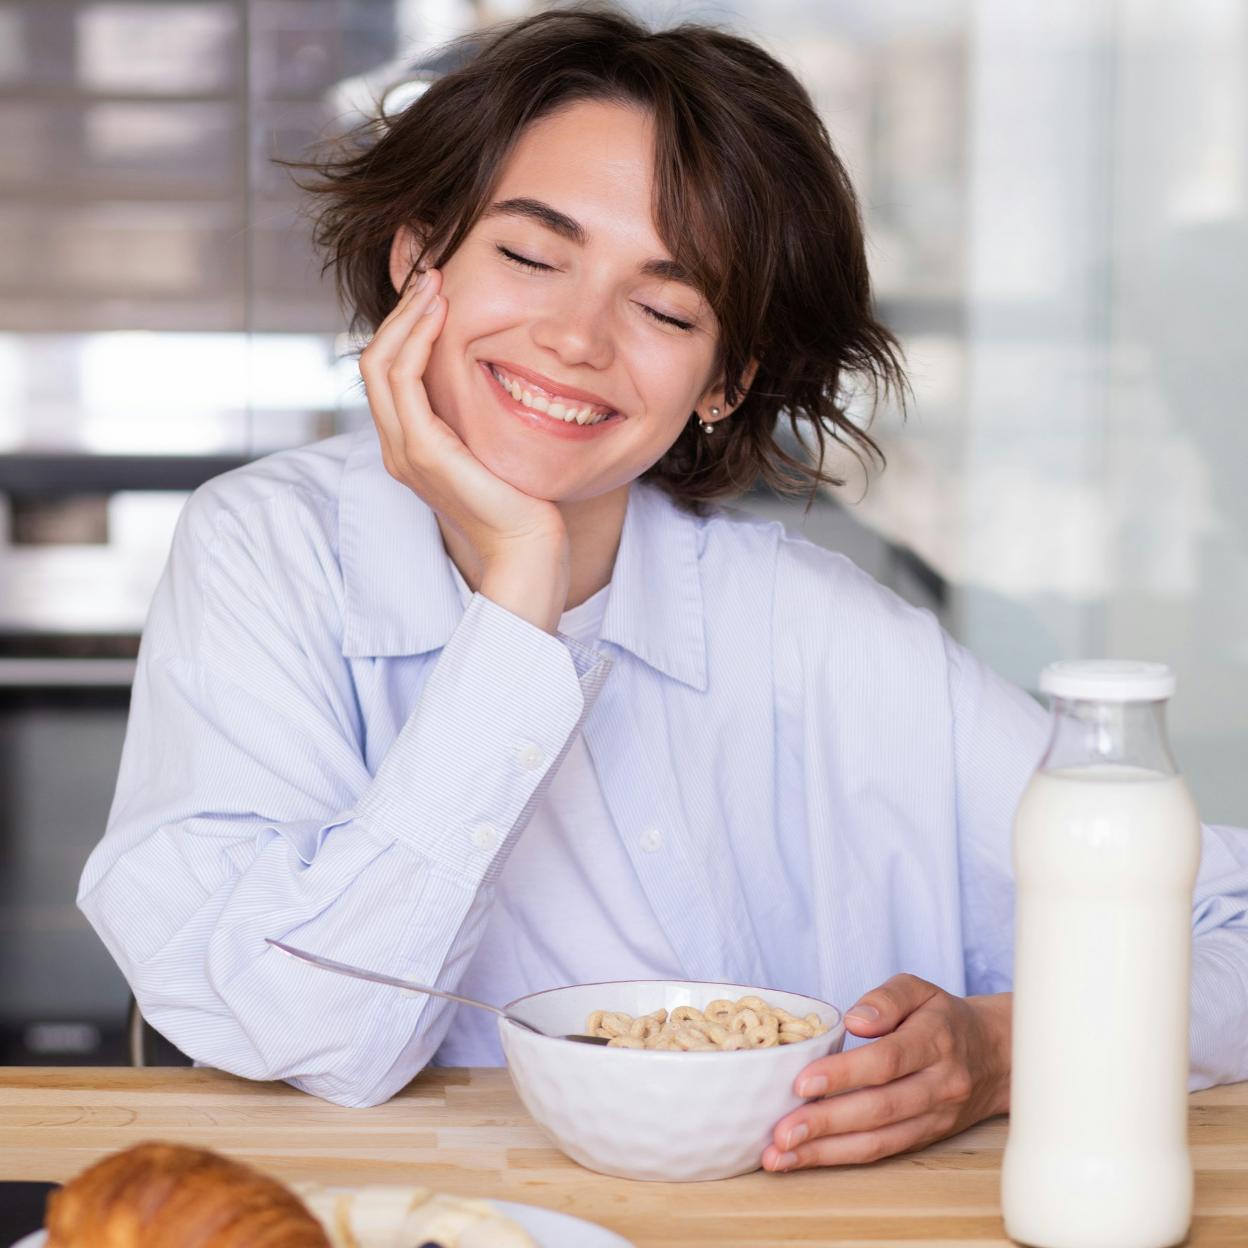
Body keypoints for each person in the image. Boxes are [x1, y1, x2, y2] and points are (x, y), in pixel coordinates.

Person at [78, 7, 1248, 1173]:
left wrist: (1004, 1050)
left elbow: (1228, 927)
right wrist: (517, 601)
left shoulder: (813, 628)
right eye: (531, 256)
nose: (576, 337)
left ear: (725, 379)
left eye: (665, 307)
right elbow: (321, 1037)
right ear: (416, 258)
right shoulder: (267, 552)